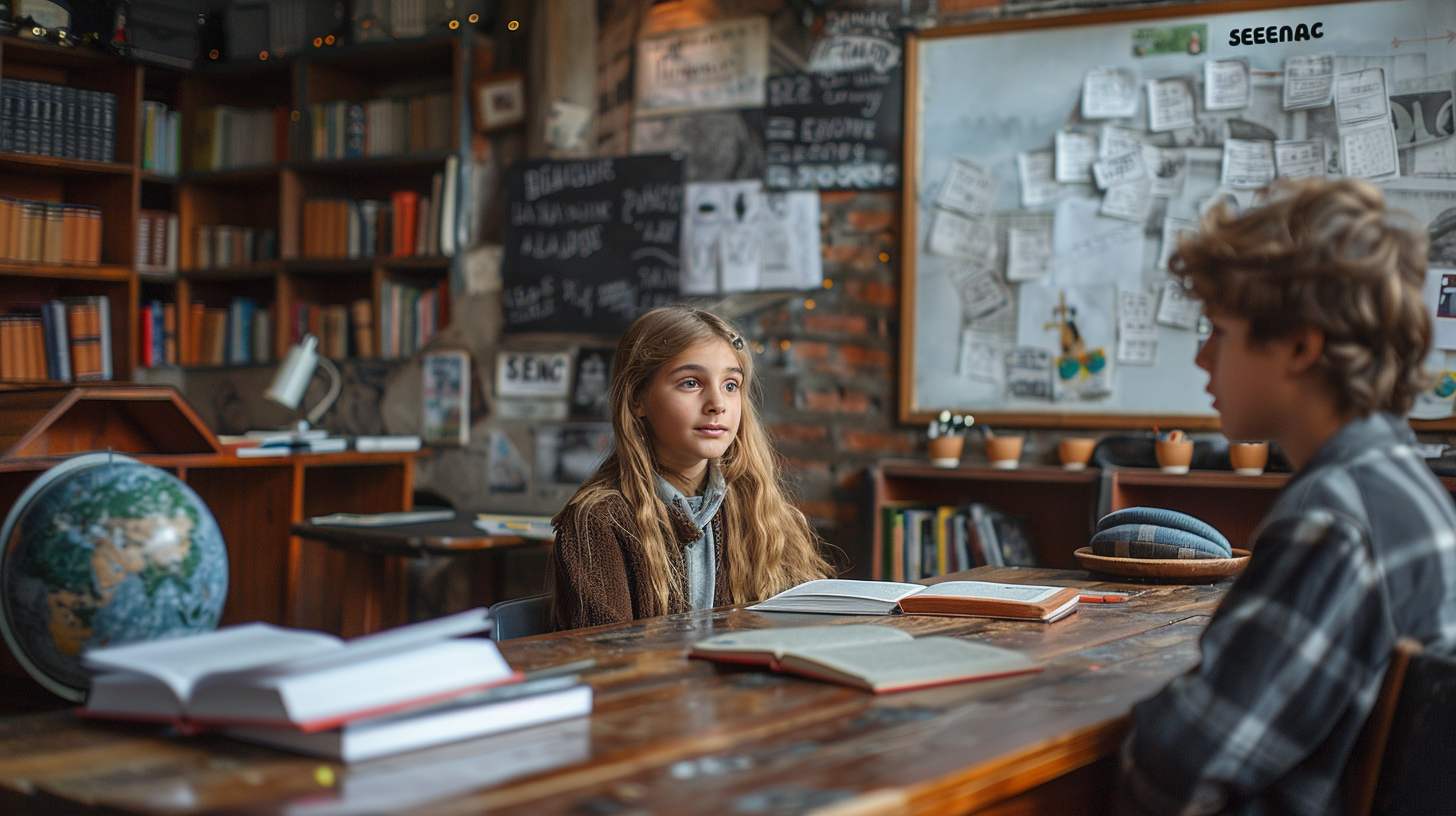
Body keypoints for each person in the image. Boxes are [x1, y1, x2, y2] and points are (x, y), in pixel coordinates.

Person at [1119, 178, 1456, 815]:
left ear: (1301, 345)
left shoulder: (1332, 520)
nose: (1200, 357)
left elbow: (1179, 765)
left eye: (1218, 330)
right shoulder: (1413, 488)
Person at [549, 305, 833, 630]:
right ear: (636, 399)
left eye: (731, 385)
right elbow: (606, 659)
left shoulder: (758, 506)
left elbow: (804, 628)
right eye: (690, 383)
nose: (718, 403)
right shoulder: (596, 522)